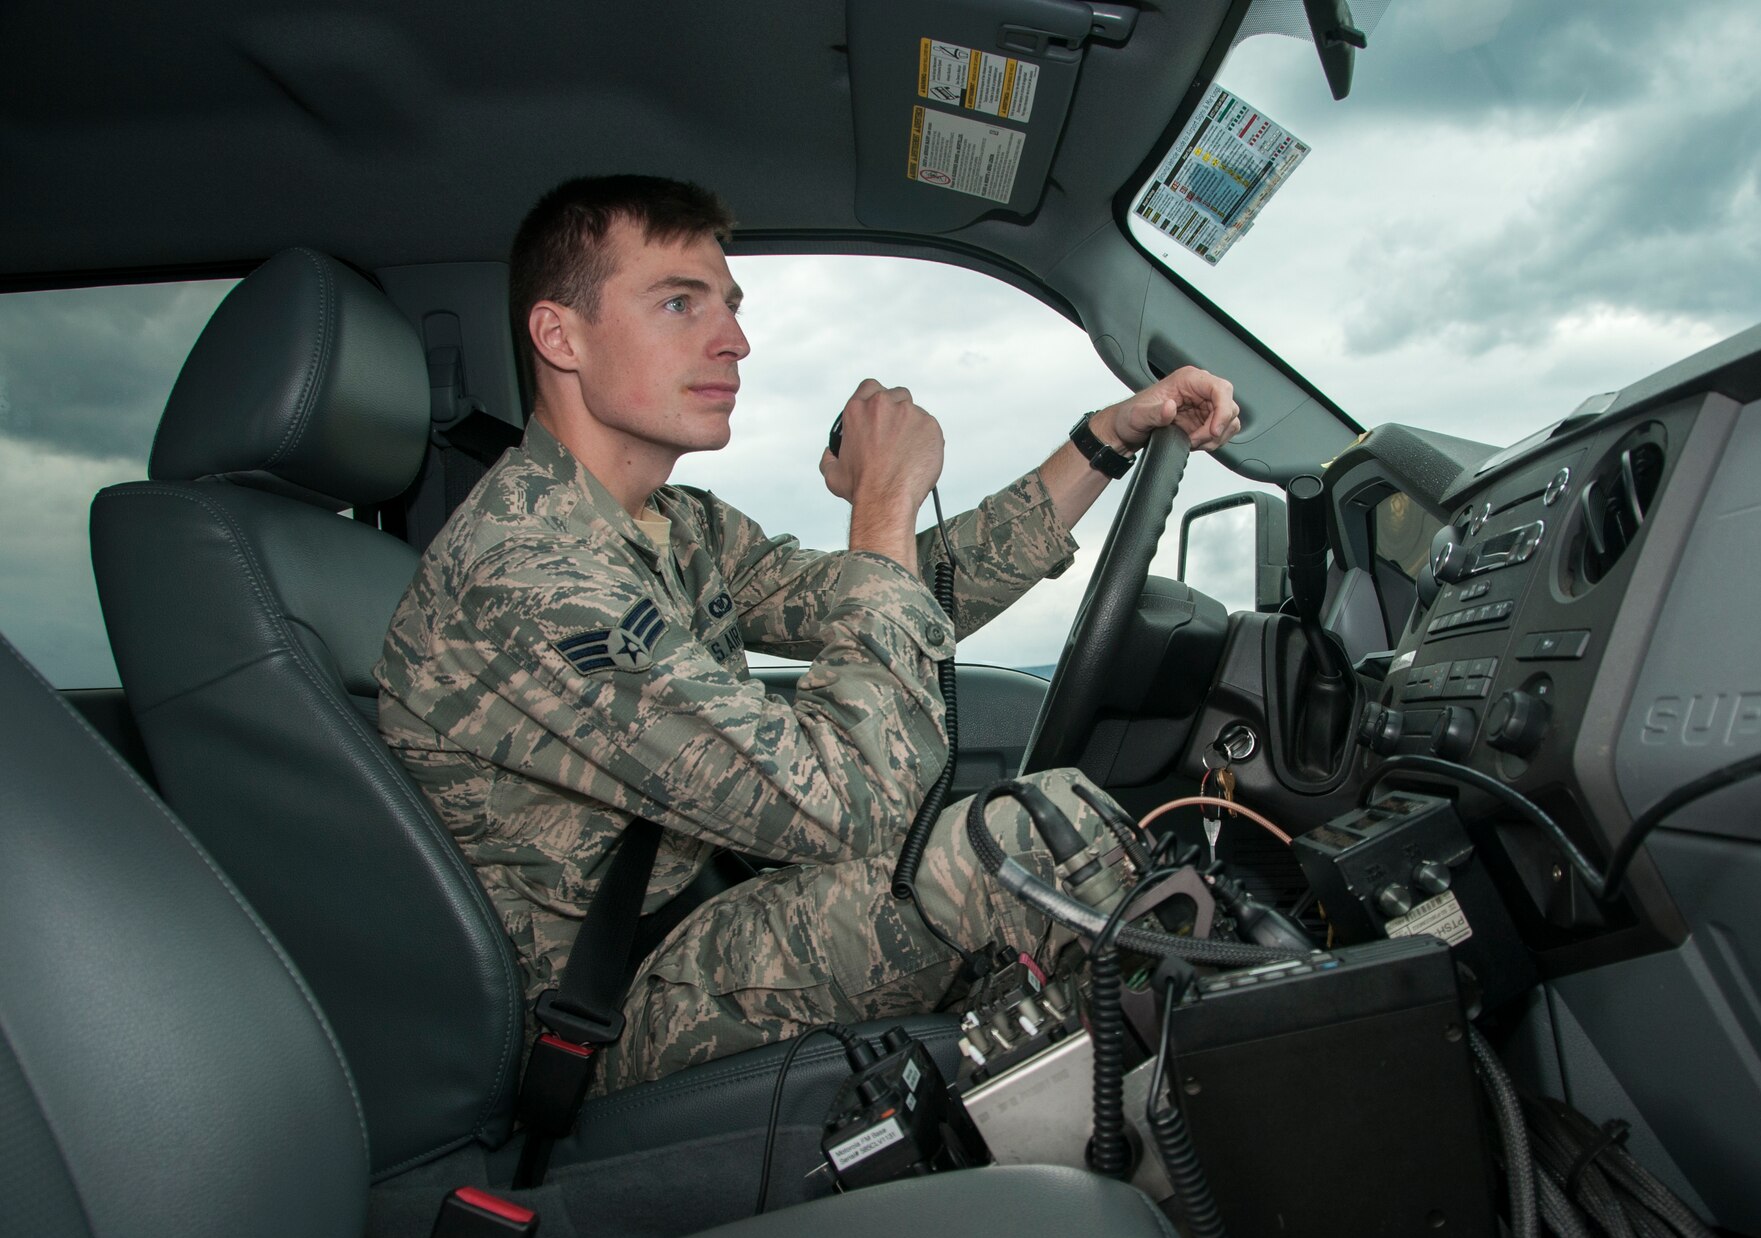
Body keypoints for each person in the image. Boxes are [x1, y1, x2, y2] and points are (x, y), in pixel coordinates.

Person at [376, 175, 1241, 1092]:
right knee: (1019, 841)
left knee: (1045, 833)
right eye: (679, 302)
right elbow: (854, 797)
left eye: (731, 307)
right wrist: (882, 499)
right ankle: (1217, 1095)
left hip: (705, 915)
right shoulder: (525, 572)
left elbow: (910, 596)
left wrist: (1109, 436)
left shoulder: (675, 525)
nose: (735, 341)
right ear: (561, 336)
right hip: (605, 1010)